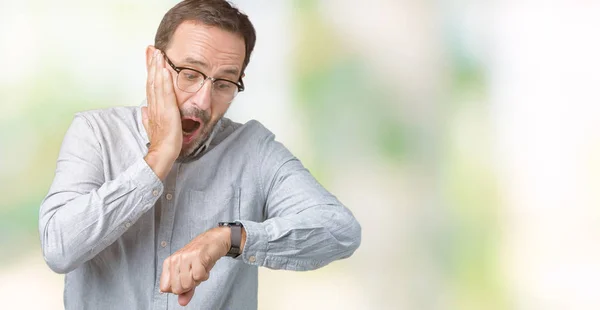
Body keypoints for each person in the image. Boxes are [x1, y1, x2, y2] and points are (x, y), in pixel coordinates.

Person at [38, 0, 361, 309]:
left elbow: (339, 230)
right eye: (190, 74)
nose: (203, 102)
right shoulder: (96, 133)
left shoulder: (254, 149)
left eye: (223, 83)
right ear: (154, 63)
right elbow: (59, 248)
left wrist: (228, 238)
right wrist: (158, 158)